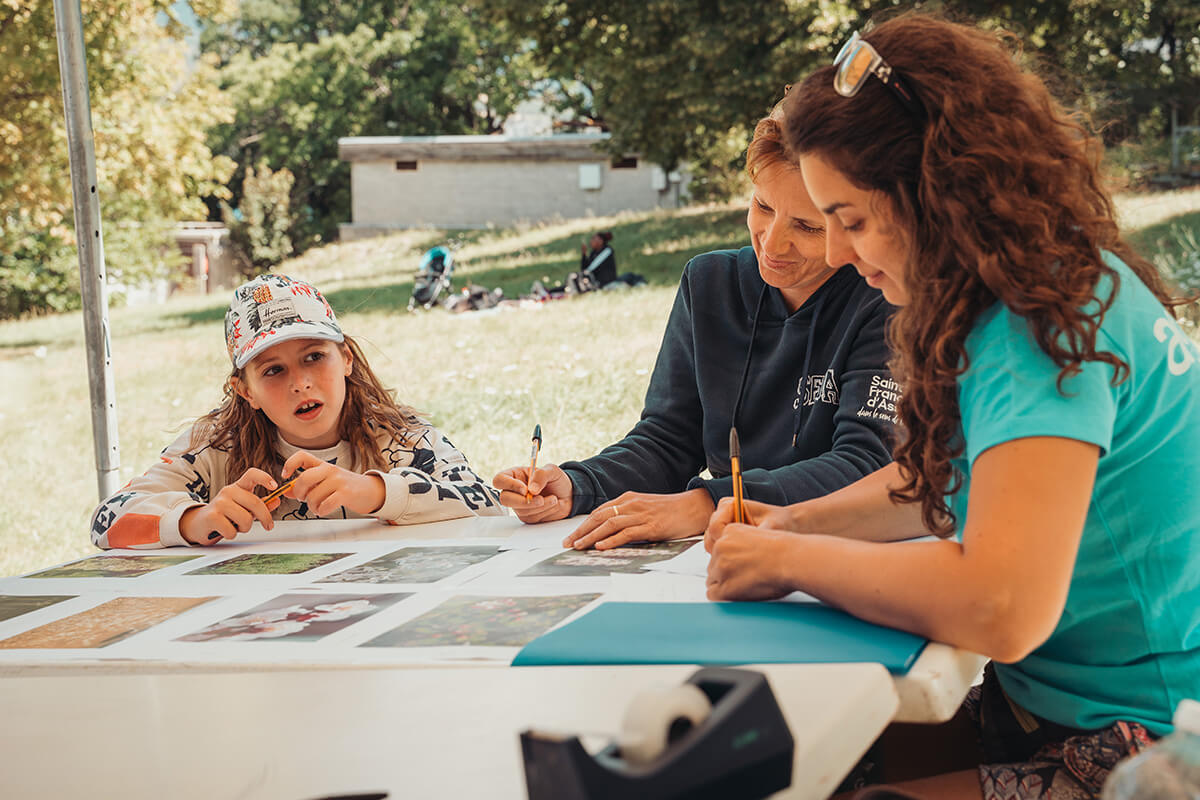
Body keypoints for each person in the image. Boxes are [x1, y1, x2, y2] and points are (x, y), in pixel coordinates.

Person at [704, 14, 1200, 800]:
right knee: (792, 760)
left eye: (852, 222)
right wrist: (793, 520)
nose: (836, 255)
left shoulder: (1033, 327)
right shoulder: (1053, 280)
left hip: (1145, 740)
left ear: (935, 194)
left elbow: (1001, 604)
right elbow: (942, 482)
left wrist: (791, 560)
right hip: (1088, 709)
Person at [493, 110, 899, 550]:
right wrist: (578, 484)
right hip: (727, 550)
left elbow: (869, 465)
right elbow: (669, 438)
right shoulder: (710, 283)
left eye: (807, 226)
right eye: (762, 206)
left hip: (838, 548)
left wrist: (709, 504)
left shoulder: (885, 294)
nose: (772, 241)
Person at [90, 274, 503, 549]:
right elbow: (106, 520)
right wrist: (194, 520)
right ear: (244, 390)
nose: (300, 383)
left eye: (313, 357)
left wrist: (376, 493)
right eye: (273, 370)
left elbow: (488, 503)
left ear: (346, 359)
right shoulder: (214, 446)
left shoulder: (402, 436)